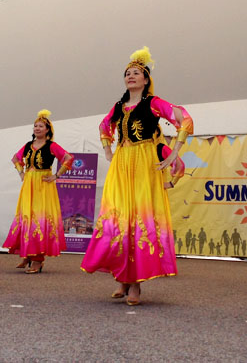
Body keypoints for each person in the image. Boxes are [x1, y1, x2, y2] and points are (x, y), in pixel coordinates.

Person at [81, 46, 193, 305]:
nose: (130, 76)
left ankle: (135, 284)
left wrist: (176, 150)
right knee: (118, 218)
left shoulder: (154, 103)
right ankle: (122, 277)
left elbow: (184, 119)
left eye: (136, 73)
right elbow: (104, 126)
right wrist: (108, 150)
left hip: (143, 164)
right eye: (127, 73)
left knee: (138, 220)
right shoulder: (119, 107)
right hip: (121, 163)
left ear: (146, 79)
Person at [2, 110, 73, 273]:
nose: (37, 128)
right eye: (35, 126)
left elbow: (68, 158)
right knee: (27, 216)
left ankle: (37, 259)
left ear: (47, 129)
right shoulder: (28, 145)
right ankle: (28, 254)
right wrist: (21, 173)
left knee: (39, 219)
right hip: (29, 184)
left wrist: (56, 175)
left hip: (43, 185)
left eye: (41, 126)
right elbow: (16, 158)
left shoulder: (52, 146)